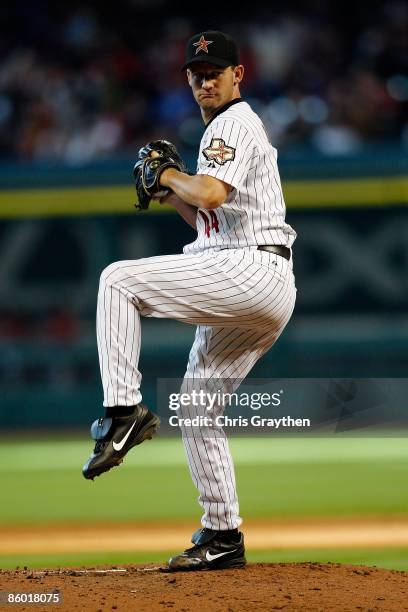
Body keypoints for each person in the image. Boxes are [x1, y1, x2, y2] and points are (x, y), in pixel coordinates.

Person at [82, 30, 297, 572]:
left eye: (215, 71)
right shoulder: (227, 129)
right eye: (197, 73)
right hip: (255, 273)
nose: (206, 80)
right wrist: (168, 191)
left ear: (237, 75)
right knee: (199, 408)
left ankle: (122, 412)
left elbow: (211, 193)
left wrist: (172, 175)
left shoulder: (232, 122)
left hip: (249, 268)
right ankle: (224, 535)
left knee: (117, 280)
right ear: (188, 78)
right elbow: (208, 214)